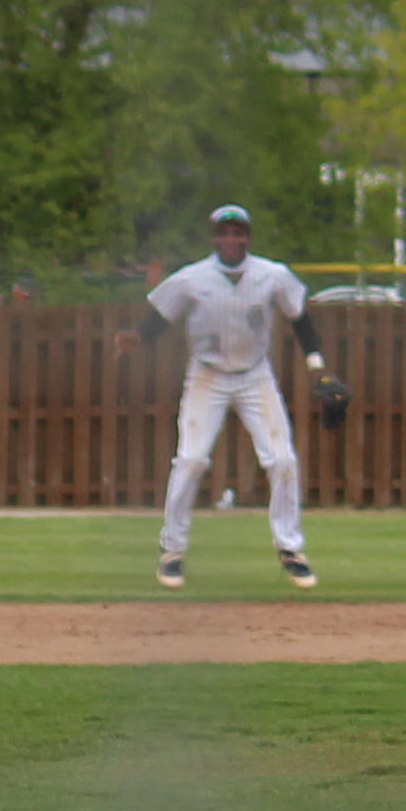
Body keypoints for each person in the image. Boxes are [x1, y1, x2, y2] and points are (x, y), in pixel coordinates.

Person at [120, 202, 339, 591]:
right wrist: (139, 339)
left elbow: (300, 318)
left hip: (255, 375)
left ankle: (291, 550)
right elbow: (161, 317)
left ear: (248, 237)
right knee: (190, 460)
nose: (231, 239)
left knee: (283, 460)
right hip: (207, 375)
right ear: (214, 237)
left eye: (238, 232)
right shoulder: (193, 278)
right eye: (224, 232)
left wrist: (317, 367)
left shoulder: (271, 275)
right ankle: (172, 551)